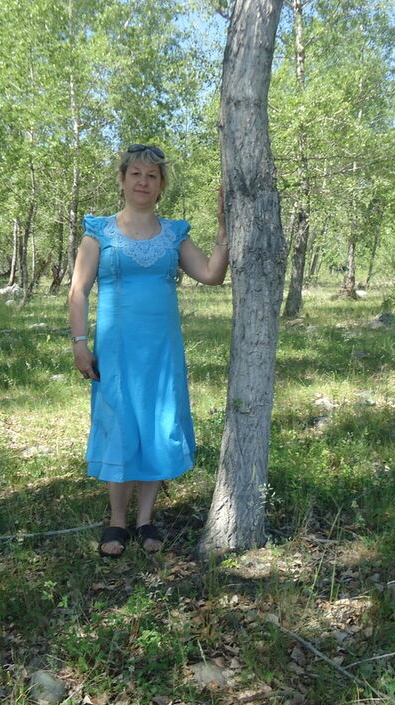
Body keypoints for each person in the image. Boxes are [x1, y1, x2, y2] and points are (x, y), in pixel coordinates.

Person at [68, 144, 228, 556]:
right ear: (122, 180)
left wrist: (223, 231)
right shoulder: (99, 232)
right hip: (116, 350)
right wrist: (80, 344)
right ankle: (117, 522)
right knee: (119, 423)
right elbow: (78, 290)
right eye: (136, 174)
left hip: (161, 350)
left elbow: (211, 274)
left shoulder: (174, 233)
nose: (143, 182)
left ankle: (145, 520)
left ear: (161, 186)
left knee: (158, 422)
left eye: (152, 176)